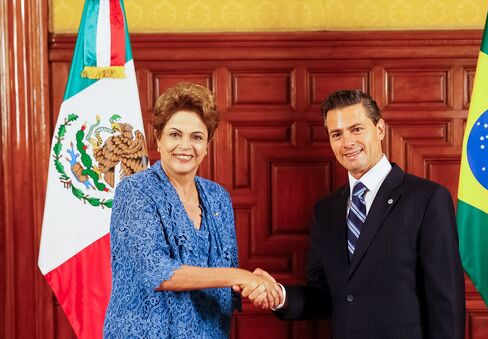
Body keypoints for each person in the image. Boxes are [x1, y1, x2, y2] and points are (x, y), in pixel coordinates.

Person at [245, 89, 465, 338]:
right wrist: (280, 296)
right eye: (336, 134)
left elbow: (446, 301)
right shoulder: (326, 210)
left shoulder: (427, 199)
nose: (347, 142)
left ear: (379, 129)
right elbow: (324, 295)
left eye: (357, 129)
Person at [103, 82, 281, 338]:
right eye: (175, 134)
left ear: (207, 145)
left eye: (196, 137)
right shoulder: (135, 191)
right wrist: (242, 277)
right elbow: (159, 273)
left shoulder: (218, 198)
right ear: (158, 139)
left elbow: (225, 277)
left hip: (209, 332)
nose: (185, 145)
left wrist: (258, 285)